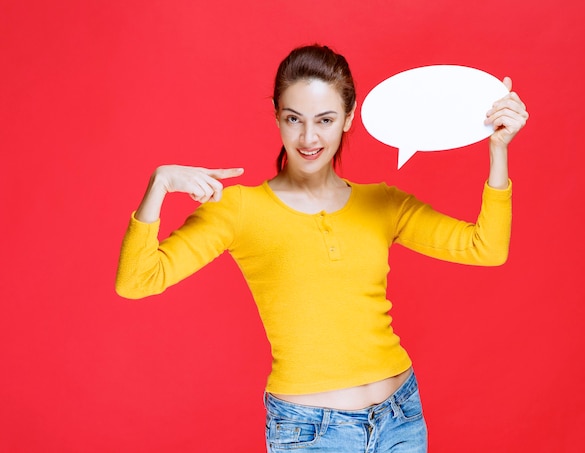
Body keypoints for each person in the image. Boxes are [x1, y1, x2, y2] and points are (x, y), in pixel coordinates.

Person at [116, 44, 528, 452]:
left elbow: (485, 248)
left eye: (325, 120)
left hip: (400, 417)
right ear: (276, 116)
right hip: (309, 432)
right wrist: (159, 185)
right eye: (294, 119)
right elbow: (137, 281)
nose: (308, 137)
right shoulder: (238, 209)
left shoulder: (383, 203)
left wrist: (497, 150)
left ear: (348, 118)